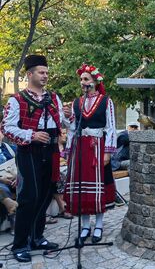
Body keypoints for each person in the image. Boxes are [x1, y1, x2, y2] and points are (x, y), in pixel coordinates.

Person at [0, 54, 70, 262]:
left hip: (51, 151)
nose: (45, 76)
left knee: (45, 194)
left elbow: (64, 121)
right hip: (29, 152)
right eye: (41, 72)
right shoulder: (17, 100)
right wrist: (31, 135)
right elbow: (7, 128)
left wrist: (72, 115)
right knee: (29, 197)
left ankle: (37, 237)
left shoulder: (54, 97)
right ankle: (20, 244)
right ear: (29, 74)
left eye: (47, 72)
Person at [64, 63, 117, 244]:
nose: (82, 82)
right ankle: (85, 226)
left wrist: (108, 153)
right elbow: (72, 128)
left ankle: (99, 225)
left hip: (97, 147)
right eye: (81, 79)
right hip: (80, 148)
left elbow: (111, 128)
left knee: (98, 186)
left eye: (86, 79)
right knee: (81, 187)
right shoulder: (76, 103)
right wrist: (69, 150)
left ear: (95, 81)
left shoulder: (105, 101)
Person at [0, 131, 17, 234]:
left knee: (28, 185)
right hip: (1, 180)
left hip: (14, 178)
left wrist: (18, 178)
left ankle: (35, 220)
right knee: (3, 188)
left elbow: (21, 164)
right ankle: (14, 223)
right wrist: (2, 179)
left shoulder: (10, 148)